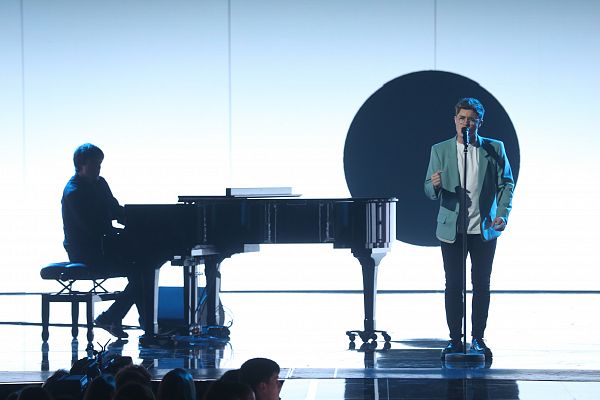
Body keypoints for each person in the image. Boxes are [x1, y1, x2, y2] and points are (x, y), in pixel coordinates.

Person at [424, 98, 514, 359]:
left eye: (471, 119)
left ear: (479, 122)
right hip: (452, 229)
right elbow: (428, 190)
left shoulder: (494, 148)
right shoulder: (440, 150)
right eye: (462, 118)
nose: (466, 123)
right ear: (455, 120)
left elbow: (506, 184)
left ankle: (478, 337)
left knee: (481, 284)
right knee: (453, 284)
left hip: (483, 228)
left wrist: (502, 214)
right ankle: (454, 339)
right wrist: (436, 185)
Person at [62, 143, 167, 338]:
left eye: (100, 165)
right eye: (94, 165)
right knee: (141, 270)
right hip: (86, 250)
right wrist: (122, 233)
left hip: (104, 243)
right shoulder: (74, 192)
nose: (98, 169)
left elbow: (115, 209)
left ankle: (129, 320)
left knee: (142, 269)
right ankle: (130, 321)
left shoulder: (100, 183)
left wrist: (134, 220)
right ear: (80, 165)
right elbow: (90, 228)